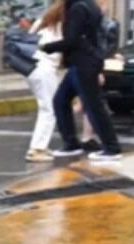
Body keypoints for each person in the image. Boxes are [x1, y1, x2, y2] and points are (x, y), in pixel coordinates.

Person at [42, 0, 122, 162]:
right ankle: (71, 144)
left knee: (93, 105)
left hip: (84, 63)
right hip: (84, 62)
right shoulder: (89, 5)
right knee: (61, 100)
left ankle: (111, 148)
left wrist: (47, 47)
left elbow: (73, 40)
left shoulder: (78, 8)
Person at [25, 0, 64, 162]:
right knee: (49, 109)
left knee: (45, 107)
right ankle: (37, 148)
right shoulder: (61, 26)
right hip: (47, 68)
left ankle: (40, 146)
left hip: (32, 68)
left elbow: (29, 38)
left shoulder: (42, 21)